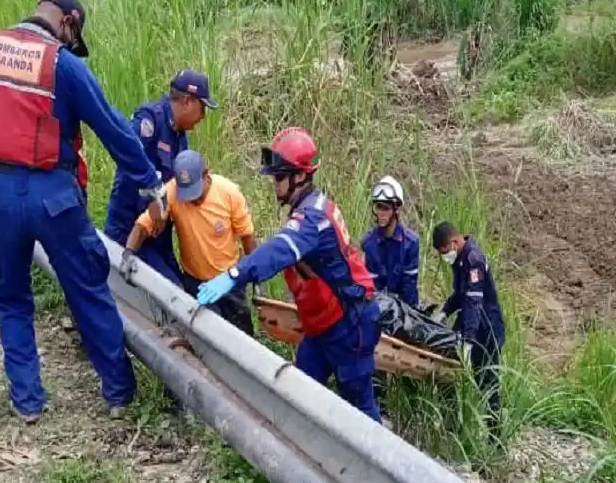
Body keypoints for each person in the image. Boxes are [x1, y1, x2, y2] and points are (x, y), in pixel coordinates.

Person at [0, 0, 166, 424]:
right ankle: (118, 394)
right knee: (88, 291)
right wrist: (149, 182)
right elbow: (113, 128)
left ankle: (27, 402)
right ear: (67, 22)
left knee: (11, 297)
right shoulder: (63, 65)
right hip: (55, 198)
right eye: (73, 36)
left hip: (0, 196)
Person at [196, 127, 384, 423]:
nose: (275, 184)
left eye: (279, 178)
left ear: (300, 176)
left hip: (350, 325)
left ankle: (372, 450)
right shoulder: (310, 207)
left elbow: (279, 250)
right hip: (323, 325)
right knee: (301, 392)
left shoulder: (313, 219)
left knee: (359, 406)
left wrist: (234, 274)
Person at [123, 150, 258, 335]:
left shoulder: (228, 193)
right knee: (208, 334)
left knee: (242, 334)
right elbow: (142, 226)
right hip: (196, 282)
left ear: (206, 175)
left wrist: (255, 277)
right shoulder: (172, 192)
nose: (192, 200)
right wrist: (128, 253)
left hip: (228, 280)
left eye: (196, 193)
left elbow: (248, 236)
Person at [103, 69, 216, 288]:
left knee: (180, 287)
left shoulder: (180, 138)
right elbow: (129, 162)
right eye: (202, 108)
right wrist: (153, 195)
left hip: (158, 234)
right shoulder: (150, 121)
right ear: (188, 101)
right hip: (129, 226)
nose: (202, 117)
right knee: (164, 290)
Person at [431, 221, 506, 427]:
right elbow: (460, 294)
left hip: (487, 328)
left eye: (445, 251)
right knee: (447, 368)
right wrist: (444, 312)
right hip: (469, 321)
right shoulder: (459, 260)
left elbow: (474, 301)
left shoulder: (474, 260)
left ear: (454, 242)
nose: (444, 256)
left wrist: (469, 340)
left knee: (487, 382)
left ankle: (495, 436)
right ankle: (450, 426)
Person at [360, 175, 420, 308]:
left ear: (396, 209)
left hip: (406, 308)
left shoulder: (411, 243)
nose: (381, 213)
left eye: (386, 208)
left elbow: (409, 288)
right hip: (378, 307)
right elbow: (371, 288)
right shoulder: (368, 243)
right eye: (379, 207)